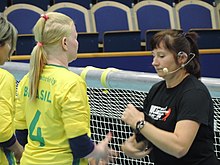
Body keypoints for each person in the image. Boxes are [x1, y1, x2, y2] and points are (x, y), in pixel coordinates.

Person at [14, 12, 116, 165]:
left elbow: (21, 134)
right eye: (75, 37)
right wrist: (98, 151)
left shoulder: (27, 80)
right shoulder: (72, 83)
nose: (77, 43)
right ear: (65, 43)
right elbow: (78, 142)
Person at [121, 29, 220, 165]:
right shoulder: (156, 90)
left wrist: (140, 123)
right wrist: (131, 146)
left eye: (161, 56)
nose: (154, 63)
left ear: (182, 58)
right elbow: (150, 134)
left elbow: (179, 147)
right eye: (153, 55)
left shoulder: (194, 94)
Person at [0, 16, 23, 164]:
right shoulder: (4, 78)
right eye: (10, 43)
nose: (13, 49)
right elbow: (2, 130)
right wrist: (18, 150)